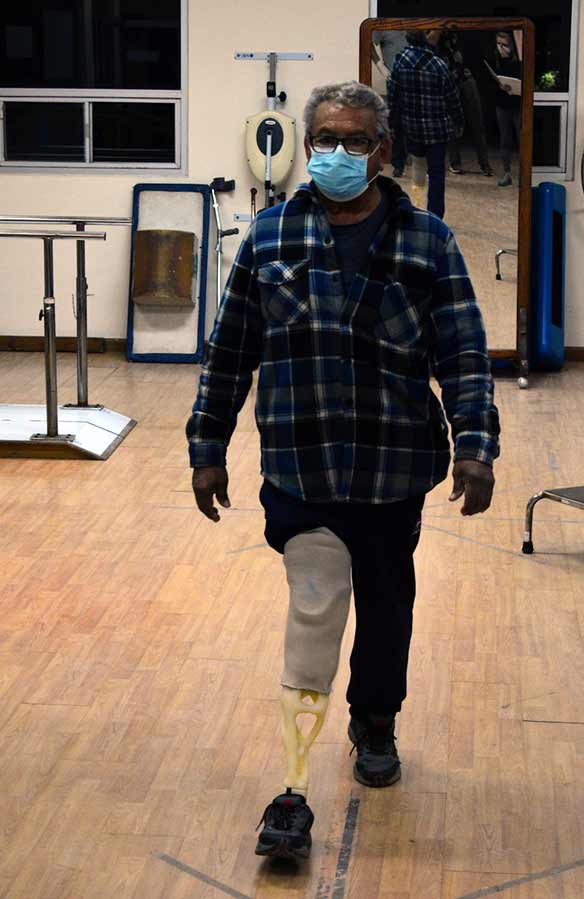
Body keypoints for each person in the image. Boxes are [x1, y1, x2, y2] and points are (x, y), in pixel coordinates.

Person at [186, 80, 500, 859]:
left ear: (382, 152)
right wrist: (207, 445)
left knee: (387, 608)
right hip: (302, 463)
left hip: (394, 469)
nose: (335, 153)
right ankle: (293, 782)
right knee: (317, 603)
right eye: (323, 138)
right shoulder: (269, 237)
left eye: (354, 141)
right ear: (306, 144)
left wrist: (477, 445)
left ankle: (376, 720)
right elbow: (230, 351)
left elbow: (462, 351)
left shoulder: (427, 241)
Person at [387, 30, 464, 219]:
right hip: (437, 129)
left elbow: (393, 96)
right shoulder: (439, 64)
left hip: (411, 127)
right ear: (426, 42)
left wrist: (391, 123)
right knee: (437, 174)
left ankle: (417, 208)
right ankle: (435, 216)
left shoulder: (400, 61)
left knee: (418, 167)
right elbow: (452, 97)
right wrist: (459, 121)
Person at [426, 29, 493, 177]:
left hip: (466, 78)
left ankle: (484, 164)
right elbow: (430, 42)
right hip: (447, 82)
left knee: (477, 124)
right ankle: (455, 163)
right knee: (452, 125)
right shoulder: (434, 35)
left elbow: (475, 55)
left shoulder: (460, 33)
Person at [491, 31, 522, 187]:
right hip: (502, 104)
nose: (501, 48)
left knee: (522, 139)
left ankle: (524, 175)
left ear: (511, 46)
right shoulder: (496, 59)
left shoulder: (519, 61)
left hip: (518, 104)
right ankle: (507, 173)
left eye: (504, 44)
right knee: (505, 140)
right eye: (498, 44)